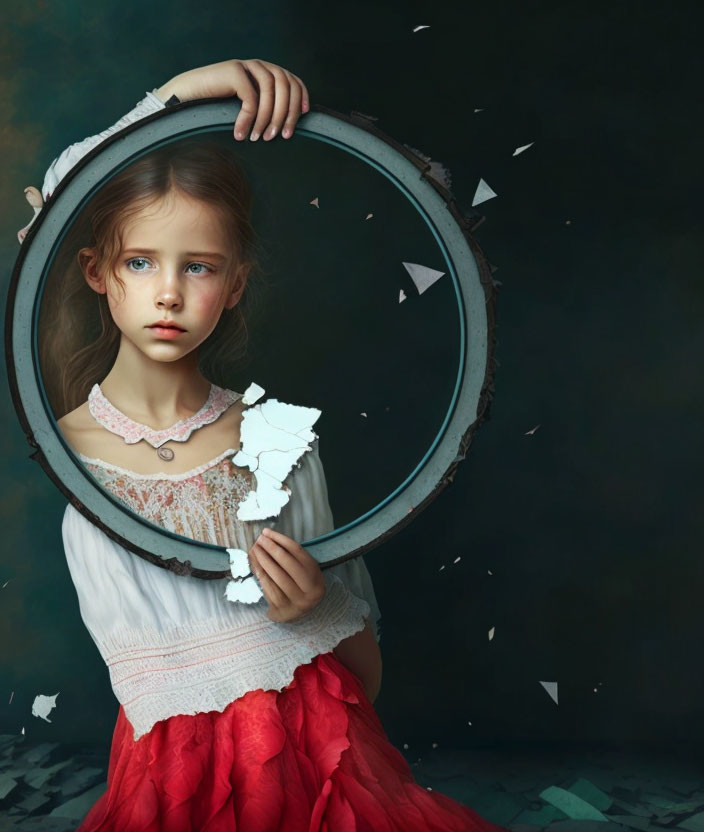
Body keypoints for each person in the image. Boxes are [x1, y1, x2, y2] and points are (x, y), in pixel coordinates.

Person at [18, 59, 508, 832]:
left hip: (328, 769)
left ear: (236, 284)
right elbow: (68, 188)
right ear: (97, 273)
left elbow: (365, 681)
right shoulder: (67, 446)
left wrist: (317, 608)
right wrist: (180, 94)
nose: (169, 291)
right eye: (142, 262)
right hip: (169, 784)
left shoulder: (278, 445)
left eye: (200, 267)